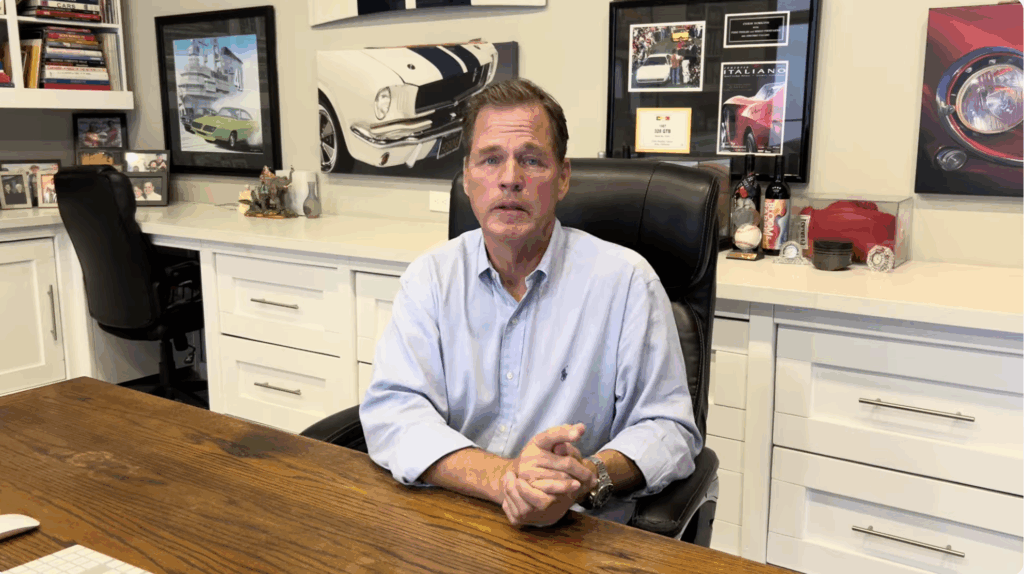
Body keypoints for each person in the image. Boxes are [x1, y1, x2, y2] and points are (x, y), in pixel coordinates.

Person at [360, 78, 701, 528]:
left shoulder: (626, 282)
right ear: (467, 177)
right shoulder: (431, 278)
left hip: (575, 530)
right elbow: (393, 411)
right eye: (490, 159)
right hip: (450, 515)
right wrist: (503, 479)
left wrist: (585, 478)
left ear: (563, 178)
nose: (510, 178)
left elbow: (668, 429)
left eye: (532, 160)